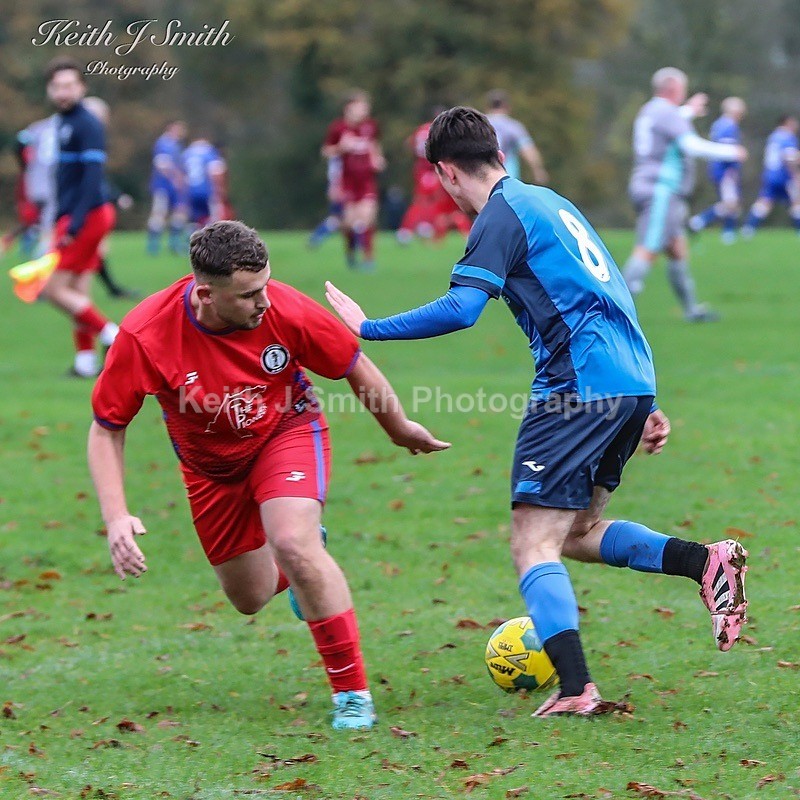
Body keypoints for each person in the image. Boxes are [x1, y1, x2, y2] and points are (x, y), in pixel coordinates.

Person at [325, 106, 749, 718]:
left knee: (533, 542)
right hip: (625, 377)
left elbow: (463, 308)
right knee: (574, 533)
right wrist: (644, 398)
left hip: (575, 388)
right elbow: (612, 295)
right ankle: (703, 561)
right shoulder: (551, 202)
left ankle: (577, 689)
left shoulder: (501, 214)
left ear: (446, 172)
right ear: (496, 151)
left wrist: (369, 327)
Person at [87, 220, 449, 730]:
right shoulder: (147, 334)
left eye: (265, 286)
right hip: (210, 471)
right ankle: (304, 566)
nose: (265, 303)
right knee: (249, 597)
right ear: (206, 294)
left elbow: (352, 364)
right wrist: (117, 515)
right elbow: (107, 427)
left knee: (293, 542)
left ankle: (352, 696)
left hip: (287, 432)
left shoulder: (285, 308)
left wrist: (399, 427)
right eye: (250, 294)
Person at [621, 68, 747, 322]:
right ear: (674, 89)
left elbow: (668, 125)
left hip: (650, 186)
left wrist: (688, 110)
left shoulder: (651, 110)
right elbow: (691, 145)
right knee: (648, 247)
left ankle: (691, 310)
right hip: (660, 190)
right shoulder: (665, 112)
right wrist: (730, 152)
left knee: (677, 249)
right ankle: (612, 309)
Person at [38, 58, 118, 378]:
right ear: (49, 89)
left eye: (69, 85)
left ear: (82, 88)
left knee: (54, 290)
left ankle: (114, 335)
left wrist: (73, 222)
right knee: (77, 292)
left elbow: (91, 178)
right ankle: (86, 363)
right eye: (57, 86)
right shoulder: (64, 121)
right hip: (80, 215)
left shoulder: (86, 123)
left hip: (86, 216)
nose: (63, 92)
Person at [82, 96, 138, 300]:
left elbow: (98, 178)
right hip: (85, 208)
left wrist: (116, 196)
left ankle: (109, 290)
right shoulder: (81, 137)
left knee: (96, 252)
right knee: (88, 254)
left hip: (93, 206)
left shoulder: (89, 137)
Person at [322, 90, 385, 270]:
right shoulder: (338, 128)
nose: (364, 110)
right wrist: (341, 147)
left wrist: (377, 158)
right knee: (349, 222)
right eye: (360, 106)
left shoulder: (370, 126)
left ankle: (368, 258)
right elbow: (326, 151)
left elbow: (374, 144)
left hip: (366, 179)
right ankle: (351, 255)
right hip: (347, 180)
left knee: (368, 216)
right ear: (348, 108)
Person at [396, 112, 471, 244]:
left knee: (425, 199)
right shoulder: (439, 130)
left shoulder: (421, 128)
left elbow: (409, 143)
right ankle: (411, 229)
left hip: (421, 168)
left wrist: (416, 156)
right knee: (432, 199)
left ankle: (422, 227)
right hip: (432, 168)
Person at [688, 97, 748, 244]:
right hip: (725, 169)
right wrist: (737, 155)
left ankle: (728, 233)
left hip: (717, 168)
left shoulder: (718, 124)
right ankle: (701, 221)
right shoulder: (728, 126)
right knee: (730, 202)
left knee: (731, 202)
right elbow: (726, 150)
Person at [741, 115, 800, 237]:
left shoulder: (773, 136)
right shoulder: (787, 136)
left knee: (764, 202)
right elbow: (789, 158)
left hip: (770, 174)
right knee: (796, 202)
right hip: (784, 175)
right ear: (787, 123)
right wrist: (796, 174)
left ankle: (749, 228)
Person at [486, 90, 548, 185]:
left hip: (484, 178)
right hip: (507, 177)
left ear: (488, 106)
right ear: (507, 106)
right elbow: (528, 150)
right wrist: (538, 171)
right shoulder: (514, 127)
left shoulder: (480, 125)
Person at [147, 121, 188, 255]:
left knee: (179, 212)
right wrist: (175, 178)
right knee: (160, 212)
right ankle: (153, 245)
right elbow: (162, 164)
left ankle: (174, 243)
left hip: (174, 187)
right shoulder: (163, 143)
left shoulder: (176, 145)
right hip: (163, 186)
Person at [182, 136, 226, 230]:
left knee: (194, 218)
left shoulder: (187, 153)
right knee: (213, 218)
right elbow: (215, 172)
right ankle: (212, 239)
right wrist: (219, 189)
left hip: (190, 191)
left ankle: (192, 239)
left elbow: (181, 173)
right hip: (206, 190)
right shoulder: (209, 152)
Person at [308, 156, 344, 248]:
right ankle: (317, 236)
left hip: (343, 189)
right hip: (341, 190)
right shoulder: (340, 158)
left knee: (340, 219)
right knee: (339, 219)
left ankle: (317, 236)